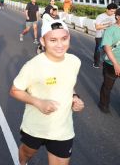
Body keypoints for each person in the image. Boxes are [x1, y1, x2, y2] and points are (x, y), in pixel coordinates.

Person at [10, 20, 85, 165]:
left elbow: (69, 85)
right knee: (26, 153)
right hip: (35, 127)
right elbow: (14, 90)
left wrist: (75, 97)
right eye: (53, 40)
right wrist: (38, 102)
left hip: (62, 129)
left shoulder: (75, 61)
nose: (60, 45)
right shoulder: (33, 66)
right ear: (43, 41)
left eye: (64, 38)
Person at [98, 8, 120, 113]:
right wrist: (116, 63)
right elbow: (107, 48)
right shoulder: (111, 30)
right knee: (108, 86)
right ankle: (103, 104)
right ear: (117, 17)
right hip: (111, 64)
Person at [93, 3, 118, 68]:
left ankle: (106, 63)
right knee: (98, 50)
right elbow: (97, 27)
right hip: (100, 36)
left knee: (109, 50)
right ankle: (96, 63)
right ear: (107, 9)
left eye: (114, 11)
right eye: (111, 11)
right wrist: (107, 25)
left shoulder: (114, 16)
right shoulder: (100, 16)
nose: (113, 13)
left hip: (110, 36)